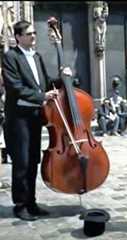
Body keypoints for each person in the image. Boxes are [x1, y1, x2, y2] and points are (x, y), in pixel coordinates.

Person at [2, 20, 72, 221]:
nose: (34, 36)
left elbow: (46, 83)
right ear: (18, 37)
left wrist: (62, 78)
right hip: (19, 119)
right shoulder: (10, 57)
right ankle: (20, 205)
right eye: (29, 33)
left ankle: (31, 202)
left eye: (34, 33)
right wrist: (42, 97)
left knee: (33, 160)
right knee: (22, 162)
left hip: (35, 117)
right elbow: (15, 88)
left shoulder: (38, 56)